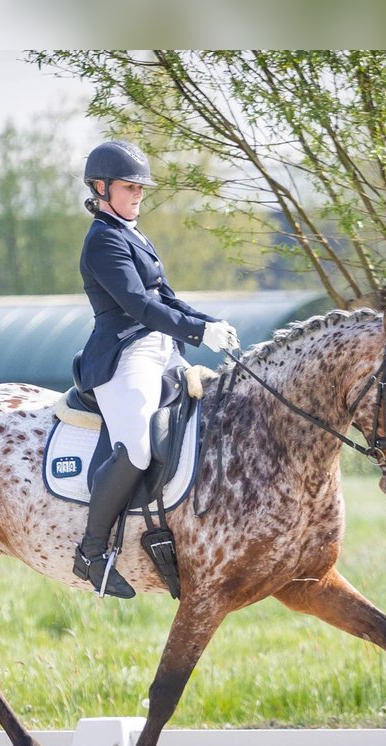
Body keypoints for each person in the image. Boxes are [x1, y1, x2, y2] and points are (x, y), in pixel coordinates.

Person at [73, 139, 239, 599]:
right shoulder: (103, 240)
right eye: (130, 187)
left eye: (140, 187)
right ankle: (90, 552)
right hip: (126, 356)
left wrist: (209, 323)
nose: (138, 194)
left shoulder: (133, 235)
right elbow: (139, 306)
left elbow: (166, 298)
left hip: (163, 349)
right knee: (138, 450)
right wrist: (198, 333)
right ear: (101, 188)